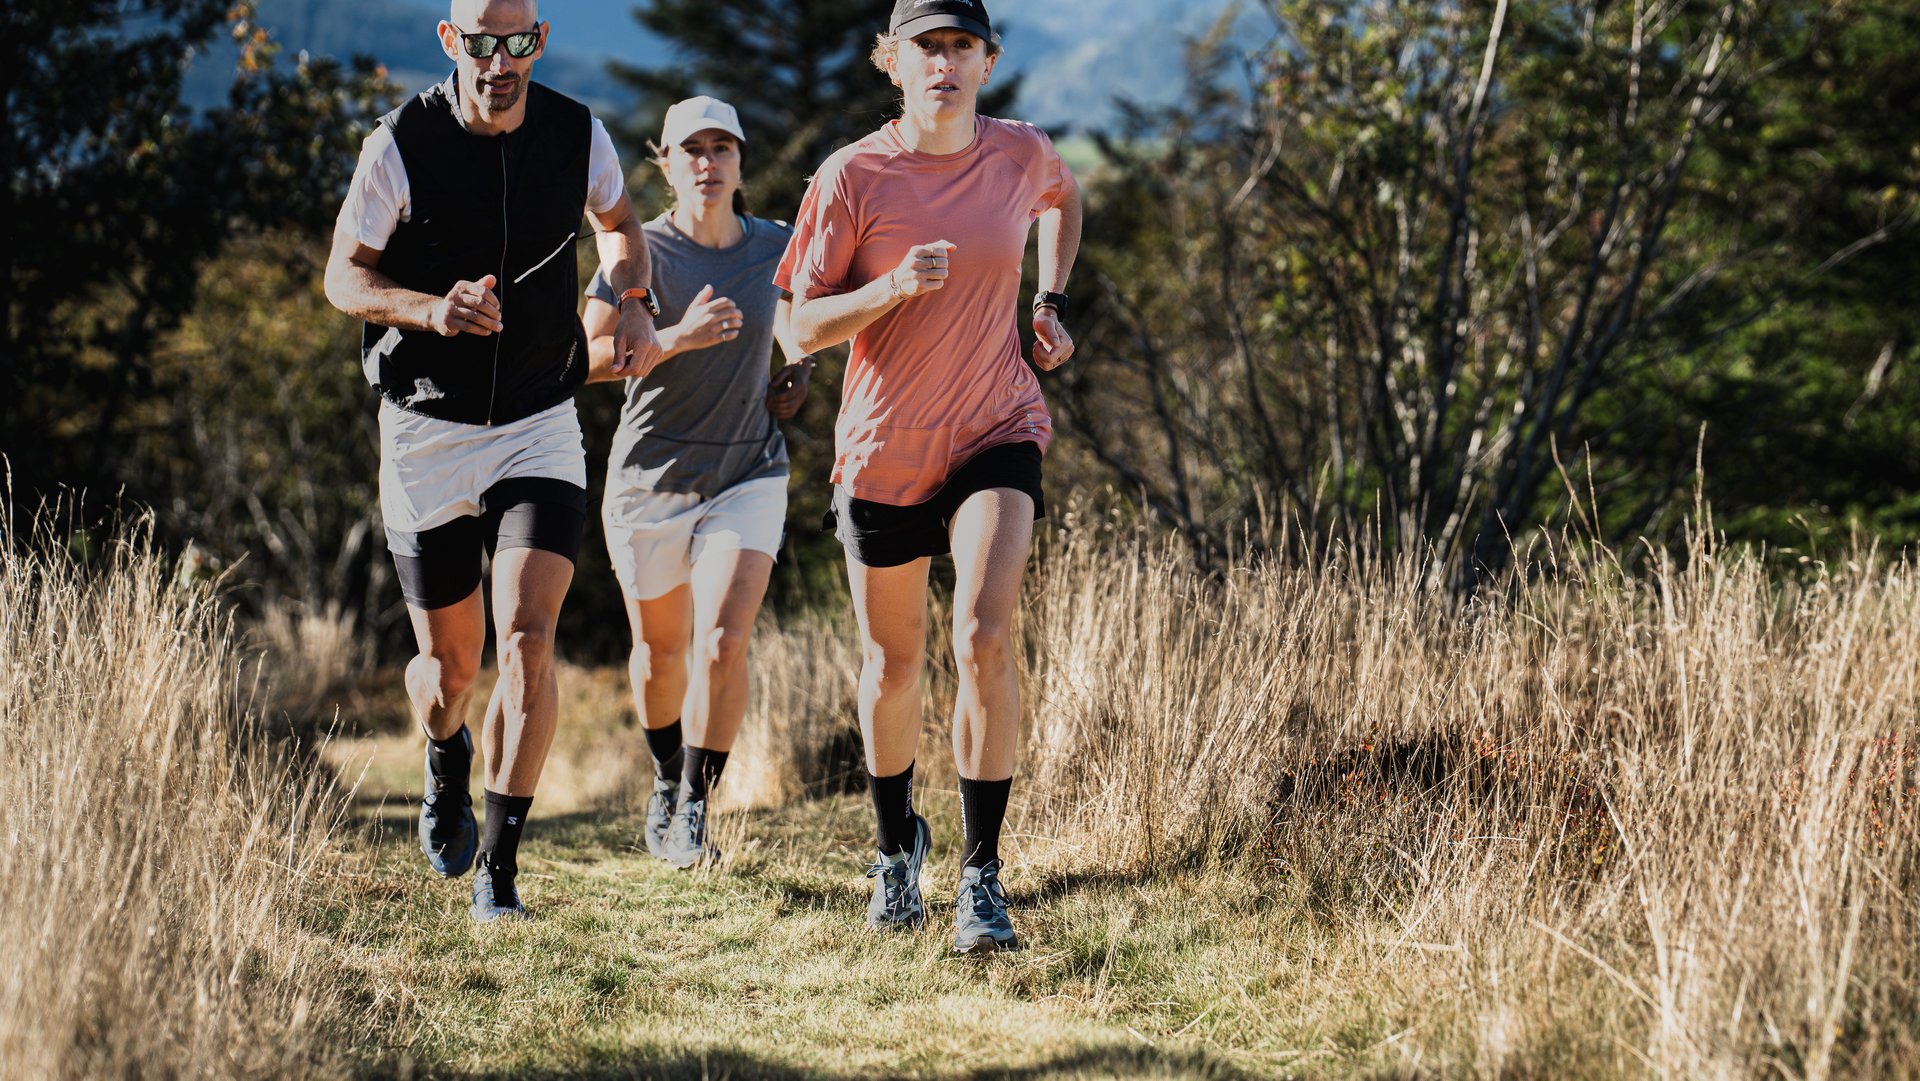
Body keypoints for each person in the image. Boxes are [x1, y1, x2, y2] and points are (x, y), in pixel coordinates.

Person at [323, 0, 664, 922]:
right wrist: (431, 309)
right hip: (426, 427)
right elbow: (342, 277)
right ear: (452, 42)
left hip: (537, 417)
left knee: (528, 638)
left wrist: (630, 295)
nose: (500, 59)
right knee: (450, 670)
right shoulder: (399, 144)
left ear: (538, 42)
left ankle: (501, 870)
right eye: (482, 41)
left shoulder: (577, 133)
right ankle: (444, 755)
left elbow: (623, 225)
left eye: (517, 41)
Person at [776, 0, 1081, 952]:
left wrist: (1050, 295)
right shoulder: (852, 175)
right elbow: (798, 327)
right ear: (892, 63)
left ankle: (982, 876)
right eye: (926, 48)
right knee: (893, 664)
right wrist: (891, 287)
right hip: (884, 448)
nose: (943, 64)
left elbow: (1064, 201)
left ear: (986, 62)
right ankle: (895, 849)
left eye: (961, 47)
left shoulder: (1021, 152)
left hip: (997, 423)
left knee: (987, 631)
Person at [579, 96, 811, 869]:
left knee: (721, 639)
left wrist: (795, 373)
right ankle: (665, 775)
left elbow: (798, 328)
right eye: (692, 151)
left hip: (748, 467)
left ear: (741, 162)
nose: (708, 164)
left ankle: (697, 805)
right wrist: (673, 339)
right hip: (650, 479)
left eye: (722, 149)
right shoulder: (637, 256)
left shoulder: (776, 246)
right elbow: (581, 361)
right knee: (659, 655)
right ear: (666, 164)